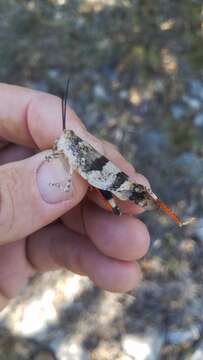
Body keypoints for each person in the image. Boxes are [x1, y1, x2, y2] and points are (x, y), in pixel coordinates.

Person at [0, 83, 150, 311]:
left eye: (65, 139)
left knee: (113, 199)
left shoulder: (74, 149)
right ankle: (123, 207)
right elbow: (63, 156)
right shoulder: (67, 145)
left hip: (102, 176)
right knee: (111, 208)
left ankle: (133, 199)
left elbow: (75, 169)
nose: (60, 141)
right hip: (95, 178)